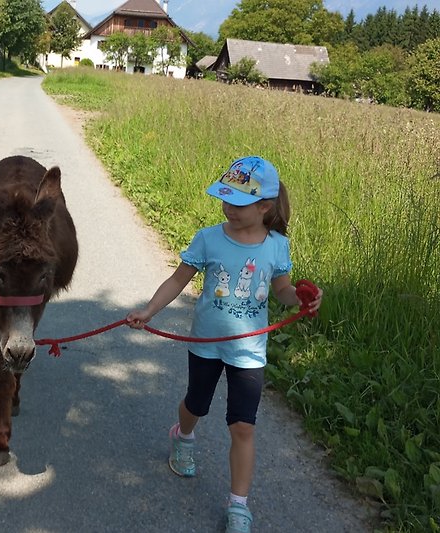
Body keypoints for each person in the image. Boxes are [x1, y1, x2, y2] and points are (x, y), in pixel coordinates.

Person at [126, 156, 322, 533]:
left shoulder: (277, 246)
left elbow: (281, 290)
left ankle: (238, 505)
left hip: (249, 351)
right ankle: (183, 436)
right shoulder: (209, 238)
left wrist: (300, 298)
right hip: (206, 344)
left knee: (242, 426)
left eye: (237, 202)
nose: (227, 207)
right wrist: (150, 310)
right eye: (224, 198)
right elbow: (177, 280)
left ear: (264, 207)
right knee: (196, 403)